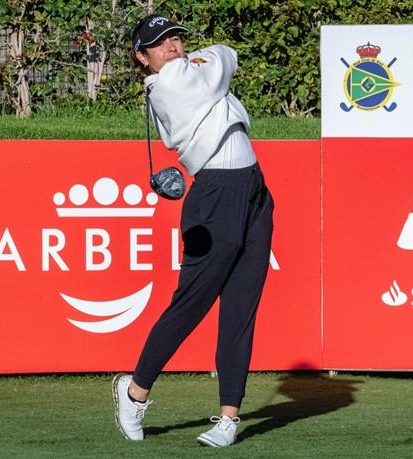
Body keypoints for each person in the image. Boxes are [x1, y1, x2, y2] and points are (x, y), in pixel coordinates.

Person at [112, 13, 274, 448]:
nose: (174, 48)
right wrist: (208, 58)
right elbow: (224, 57)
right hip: (216, 197)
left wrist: (210, 61)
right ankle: (135, 391)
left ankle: (227, 419)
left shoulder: (185, 72)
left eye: (177, 39)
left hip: (254, 191)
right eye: (160, 44)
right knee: (191, 306)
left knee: (241, 310)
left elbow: (230, 56)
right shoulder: (170, 84)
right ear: (141, 58)